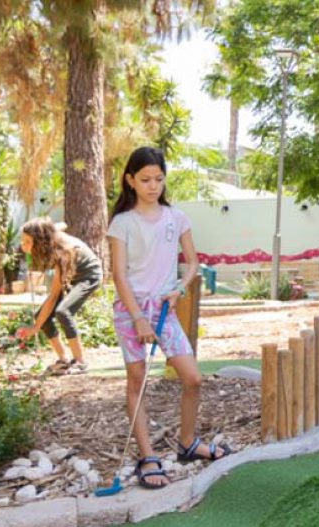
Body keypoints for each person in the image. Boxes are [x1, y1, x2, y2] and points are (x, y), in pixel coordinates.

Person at [106, 146, 229, 490]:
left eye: (159, 179)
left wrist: (179, 289)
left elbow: (191, 262)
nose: (153, 186)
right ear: (130, 180)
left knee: (192, 378)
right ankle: (147, 456)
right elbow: (118, 275)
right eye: (145, 180)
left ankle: (188, 443)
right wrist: (138, 319)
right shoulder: (122, 223)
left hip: (163, 309)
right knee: (137, 379)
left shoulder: (176, 218)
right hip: (131, 311)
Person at [16, 218, 102, 374]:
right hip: (73, 275)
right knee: (42, 316)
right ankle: (63, 360)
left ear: (40, 240)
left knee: (63, 311)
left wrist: (35, 328)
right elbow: (62, 224)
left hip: (88, 275)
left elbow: (54, 295)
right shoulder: (48, 236)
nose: (23, 246)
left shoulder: (63, 251)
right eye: (22, 241)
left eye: (27, 241)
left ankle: (80, 361)